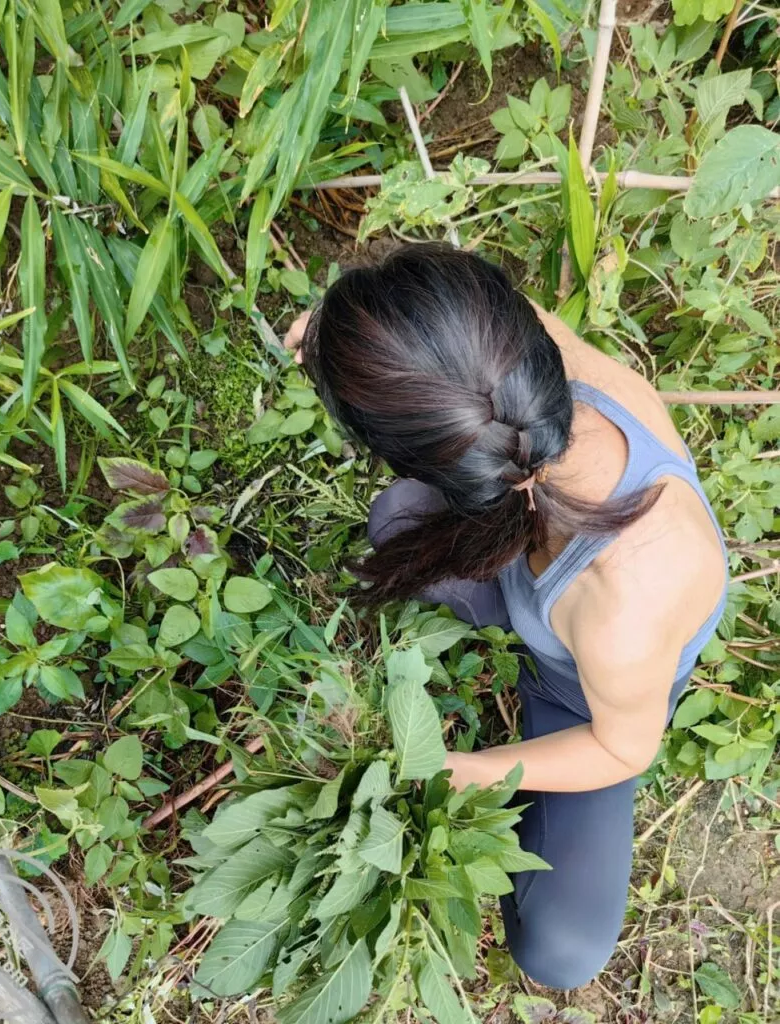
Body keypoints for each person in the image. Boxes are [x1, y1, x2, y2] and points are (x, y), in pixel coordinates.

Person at [283, 243, 728, 990]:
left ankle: (529, 684)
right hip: (532, 577)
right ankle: (511, 615)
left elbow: (624, 749)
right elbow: (447, 331)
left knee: (562, 950)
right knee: (396, 519)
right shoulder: (518, 362)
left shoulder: (628, 600)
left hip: (579, 690)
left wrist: (478, 770)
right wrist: (337, 334)